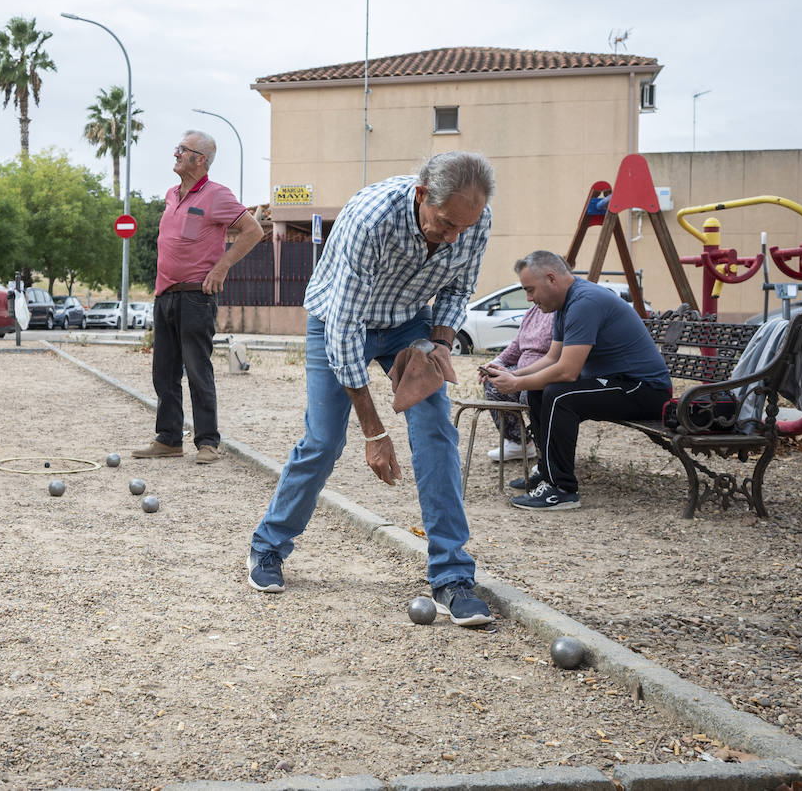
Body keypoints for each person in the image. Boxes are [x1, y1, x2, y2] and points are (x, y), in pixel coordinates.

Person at [247, 151, 496, 628]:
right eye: (444, 225)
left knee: (435, 431)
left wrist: (439, 345)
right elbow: (344, 331)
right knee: (324, 441)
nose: (453, 237)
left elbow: (458, 289)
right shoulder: (371, 219)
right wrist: (374, 432)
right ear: (423, 195)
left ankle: (451, 576)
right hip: (339, 320)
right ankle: (268, 547)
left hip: (407, 322)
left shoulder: (471, 219)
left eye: (462, 228)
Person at [484, 251, 671, 510]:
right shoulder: (565, 304)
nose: (529, 298)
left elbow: (567, 372)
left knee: (559, 395)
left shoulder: (585, 302)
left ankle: (561, 490)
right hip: (617, 383)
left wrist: (516, 384)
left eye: (530, 290)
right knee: (541, 391)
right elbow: (552, 358)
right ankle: (548, 472)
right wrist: (513, 374)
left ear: (551, 278)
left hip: (645, 390)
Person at [131, 130, 264, 464]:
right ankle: (169, 439)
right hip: (165, 295)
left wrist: (221, 268)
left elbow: (253, 230)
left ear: (200, 159)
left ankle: (207, 442)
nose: (176, 154)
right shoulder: (171, 195)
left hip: (195, 297)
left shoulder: (217, 196)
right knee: (164, 372)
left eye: (183, 150)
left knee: (197, 369)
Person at [482, 303, 554, 460]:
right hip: (523, 371)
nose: (528, 297)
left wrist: (517, 376)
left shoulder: (560, 311)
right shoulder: (532, 311)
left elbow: (557, 358)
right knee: (492, 382)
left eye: (531, 289)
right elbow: (516, 346)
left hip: (545, 374)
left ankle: (552, 449)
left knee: (530, 393)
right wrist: (495, 364)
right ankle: (518, 443)